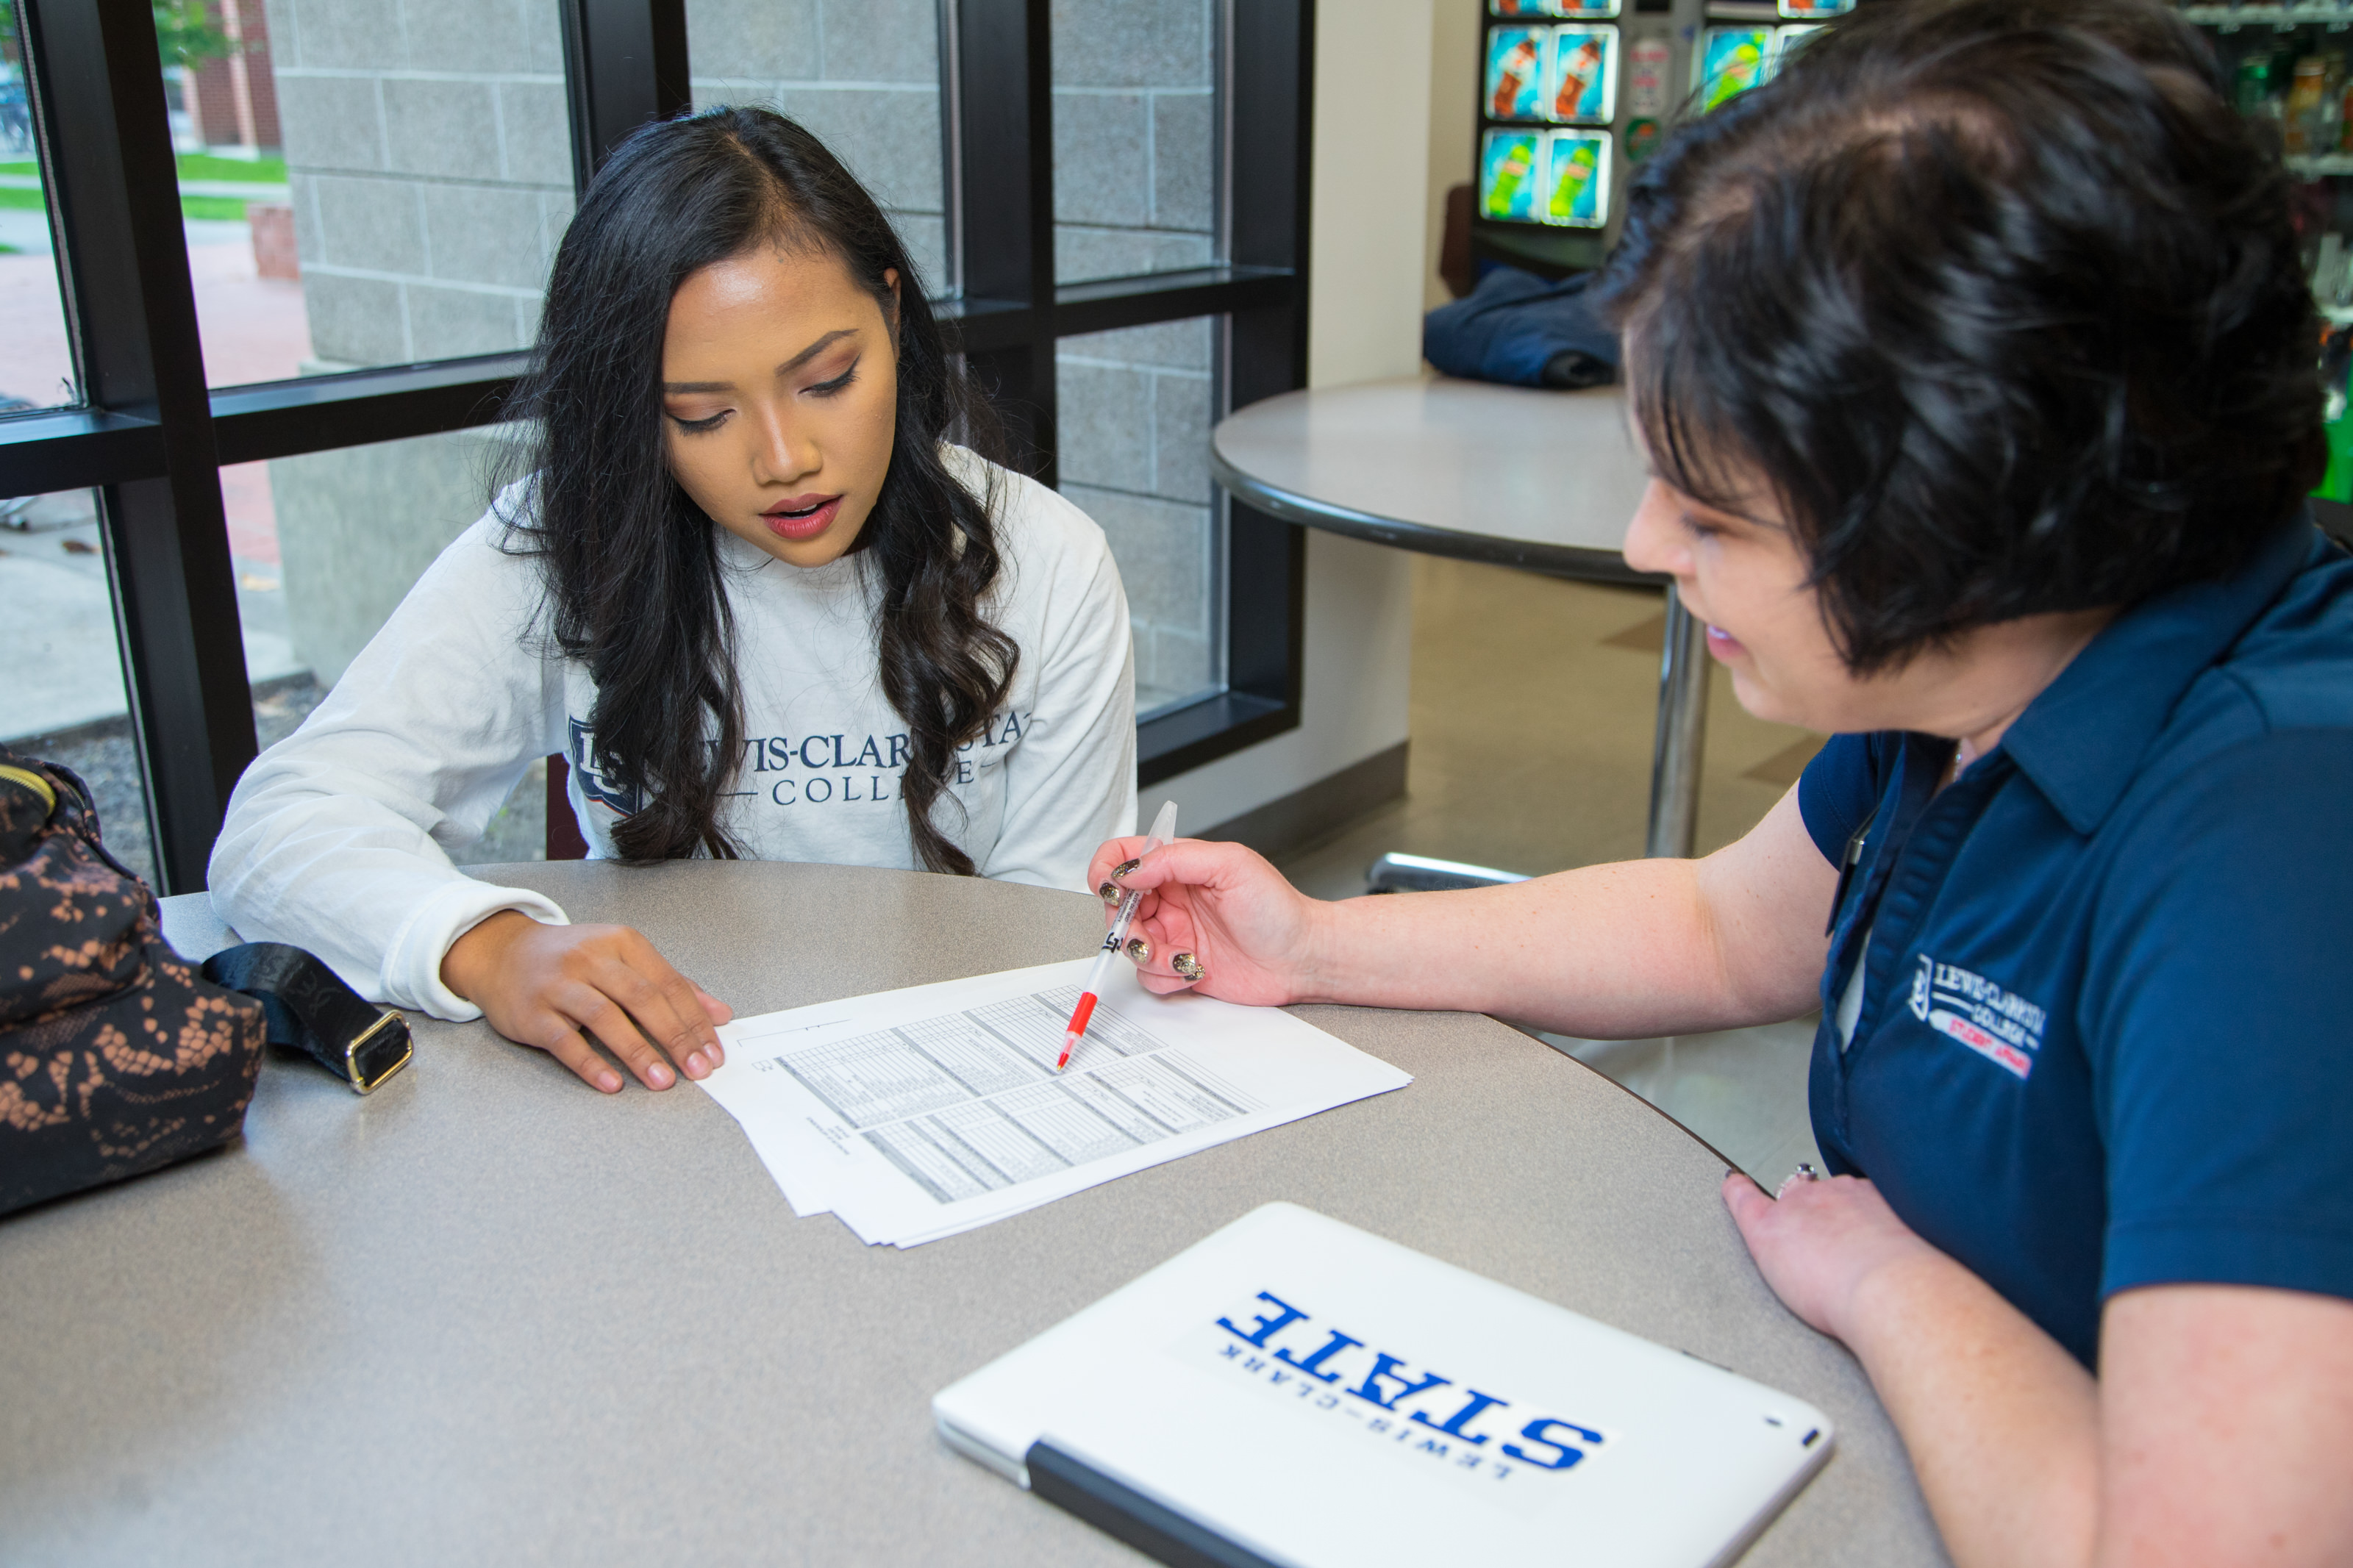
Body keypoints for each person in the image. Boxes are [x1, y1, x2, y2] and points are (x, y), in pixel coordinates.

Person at [1085, 4, 2353, 1564]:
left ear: (1969, 509)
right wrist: (1314, 944)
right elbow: (1721, 925)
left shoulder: (2282, 849)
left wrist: (1891, 1284)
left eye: (1712, 514)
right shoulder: (1974, 675)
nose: (1643, 549)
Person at [210, 108, 1137, 1095]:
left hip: (955, 1079)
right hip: (661, 1080)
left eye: (827, 380)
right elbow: (280, 827)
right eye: (701, 414)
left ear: (894, 314)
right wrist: (486, 946)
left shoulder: (1046, 564)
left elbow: (1049, 938)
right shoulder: (564, 544)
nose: (785, 460)